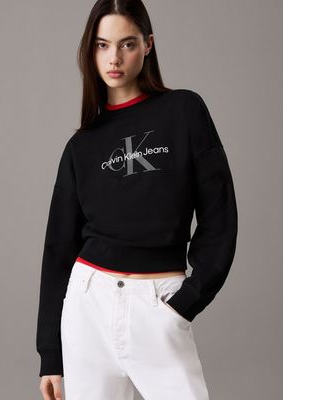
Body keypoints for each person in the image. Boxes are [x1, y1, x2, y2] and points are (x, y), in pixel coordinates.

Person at [36, 1, 238, 399]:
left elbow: (220, 216)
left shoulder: (184, 110)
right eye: (102, 45)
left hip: (159, 302)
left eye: (126, 44)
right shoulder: (81, 146)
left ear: (148, 44)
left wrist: (185, 302)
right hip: (88, 306)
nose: (114, 58)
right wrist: (50, 355)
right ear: (90, 50)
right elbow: (58, 248)